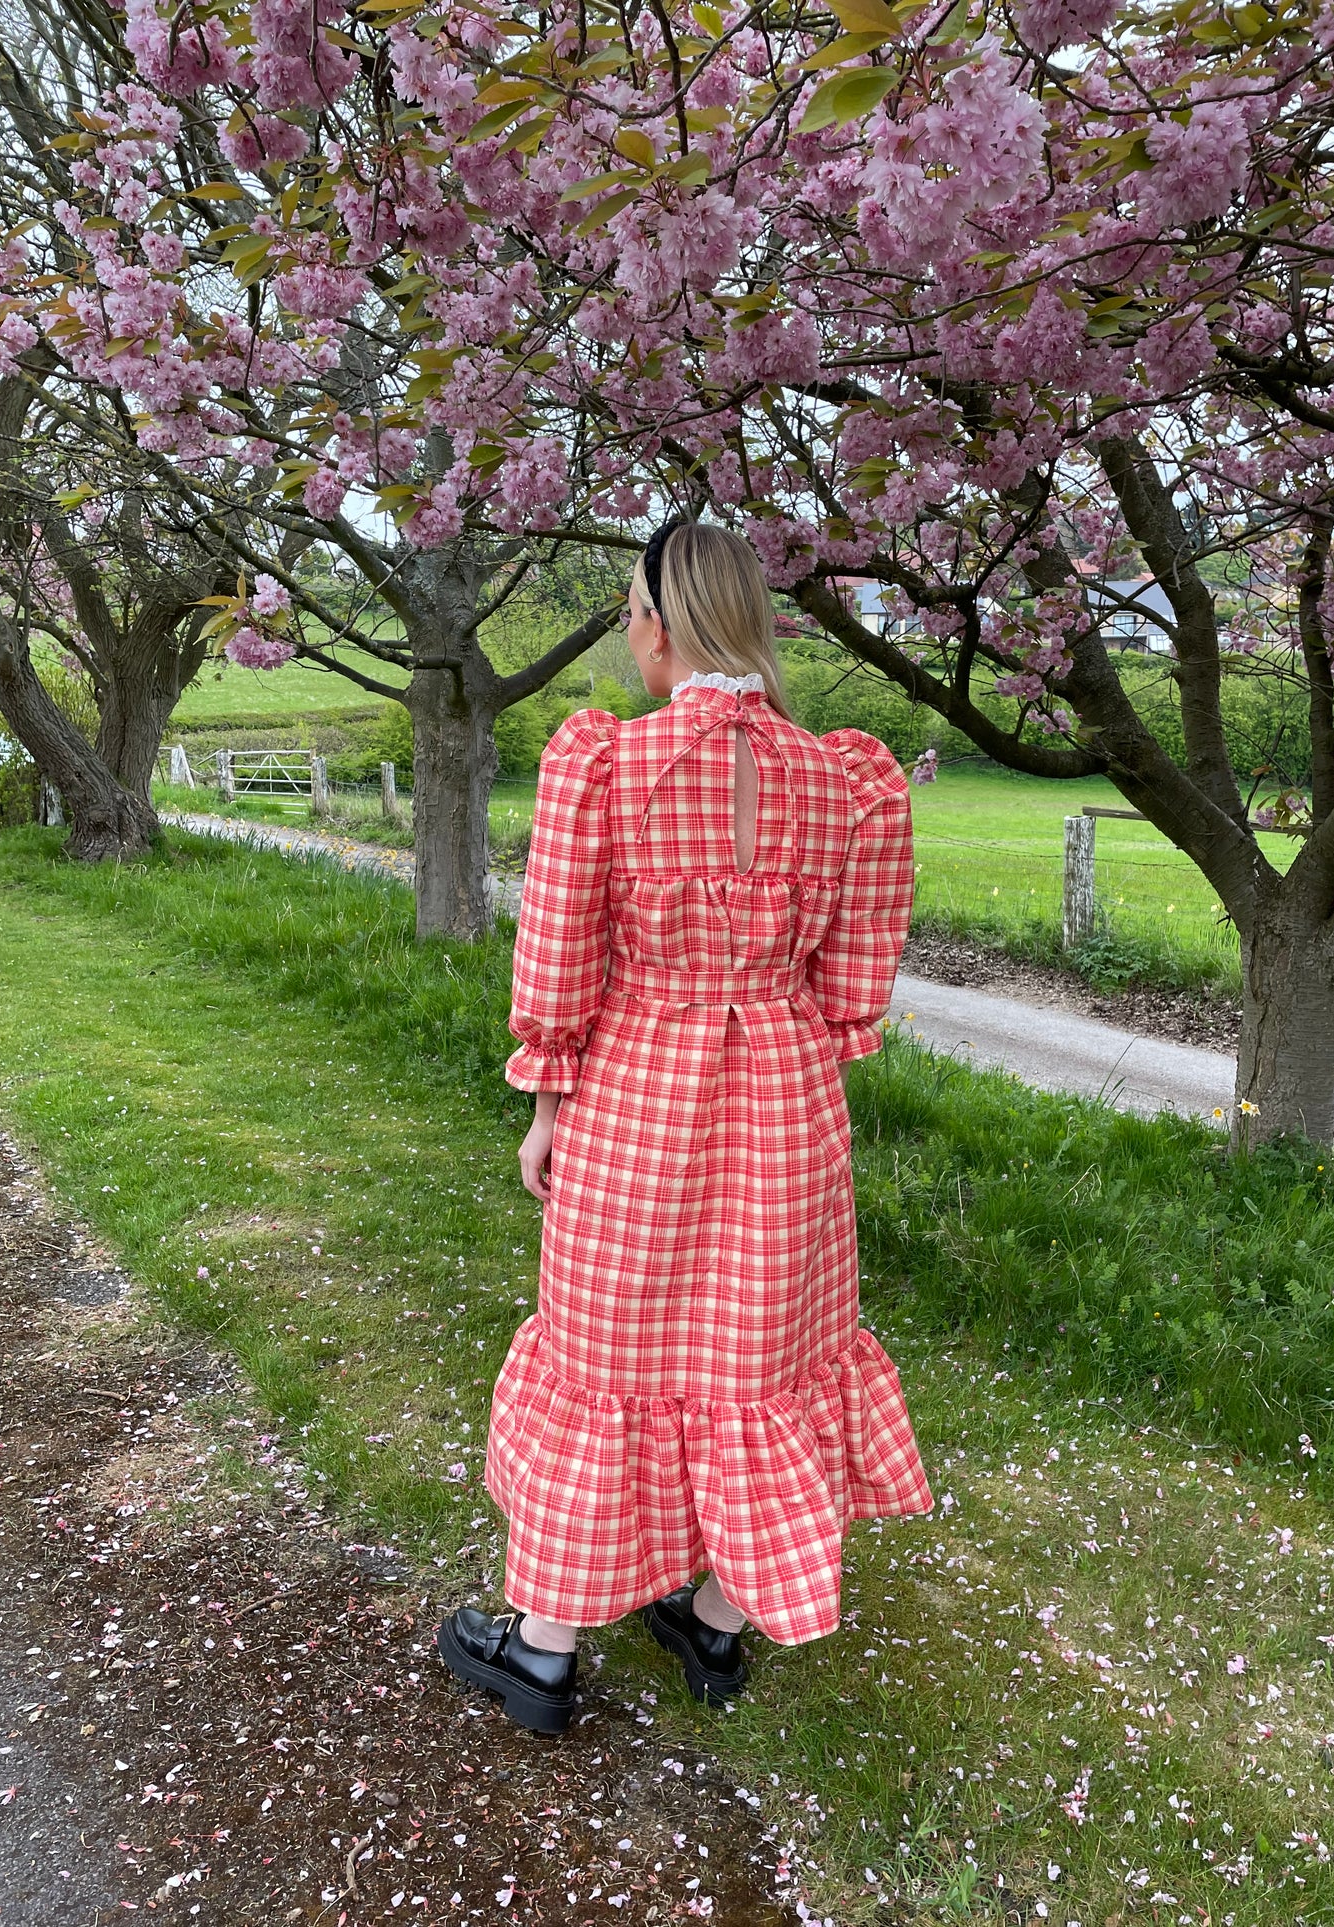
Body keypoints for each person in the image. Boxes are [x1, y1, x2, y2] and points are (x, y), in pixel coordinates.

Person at [436, 521, 932, 1734]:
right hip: (786, 1102)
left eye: (627, 616)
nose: (628, 636)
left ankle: (543, 1651)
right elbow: (854, 984)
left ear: (658, 624)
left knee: (610, 1356)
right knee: (762, 1354)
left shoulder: (606, 763)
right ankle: (713, 1620)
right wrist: (769, 1025)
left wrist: (547, 1104)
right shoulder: (846, 777)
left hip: (639, 1095)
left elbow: (556, 960)